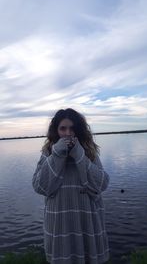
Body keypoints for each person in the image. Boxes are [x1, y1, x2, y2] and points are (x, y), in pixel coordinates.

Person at [32, 108, 110, 264]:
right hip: (60, 223)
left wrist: (79, 154)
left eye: (72, 128)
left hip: (87, 219)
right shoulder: (48, 152)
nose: (68, 133)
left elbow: (102, 184)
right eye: (63, 128)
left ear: (79, 130)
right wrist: (58, 154)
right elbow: (40, 186)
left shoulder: (89, 151)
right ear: (56, 130)